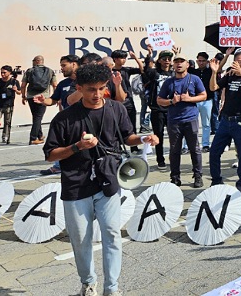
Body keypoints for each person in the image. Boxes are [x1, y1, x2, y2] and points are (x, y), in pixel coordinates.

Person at [43, 62, 159, 296]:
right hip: (75, 183)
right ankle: (88, 284)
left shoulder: (117, 109)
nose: (97, 94)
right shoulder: (65, 118)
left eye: (101, 88)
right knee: (80, 239)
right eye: (90, 89)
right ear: (79, 88)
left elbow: (127, 137)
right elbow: (50, 155)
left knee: (112, 234)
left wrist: (145, 138)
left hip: (108, 179)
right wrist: (77, 147)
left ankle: (112, 289)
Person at [210, 48, 241, 194]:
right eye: (239, 61)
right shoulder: (229, 76)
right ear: (234, 62)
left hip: (240, 121)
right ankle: (216, 180)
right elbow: (213, 87)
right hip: (225, 120)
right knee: (214, 152)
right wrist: (214, 72)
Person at [157, 52, 207, 188]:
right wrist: (171, 101)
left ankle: (198, 176)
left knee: (195, 149)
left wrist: (189, 99)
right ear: (173, 64)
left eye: (181, 61)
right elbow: (159, 100)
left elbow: (203, 95)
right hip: (174, 120)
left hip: (191, 119)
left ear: (188, 64)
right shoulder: (169, 82)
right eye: (176, 61)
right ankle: (175, 177)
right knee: (174, 150)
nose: (178, 64)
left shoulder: (194, 79)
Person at [143, 48, 174, 171]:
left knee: (174, 136)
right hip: (157, 109)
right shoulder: (155, 73)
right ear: (159, 60)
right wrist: (149, 55)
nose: (167, 61)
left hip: (172, 109)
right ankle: (160, 160)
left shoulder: (173, 74)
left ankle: (174, 158)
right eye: (164, 59)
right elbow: (146, 70)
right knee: (158, 136)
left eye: (169, 59)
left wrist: (177, 54)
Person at [110, 50, 143, 152]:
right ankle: (118, 146)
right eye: (121, 58)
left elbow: (142, 70)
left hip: (129, 101)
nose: (124, 60)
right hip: (116, 102)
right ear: (115, 59)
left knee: (132, 124)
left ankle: (134, 147)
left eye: (125, 58)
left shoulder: (126, 70)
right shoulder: (110, 71)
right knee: (116, 124)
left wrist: (136, 58)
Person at [21, 55, 57, 144]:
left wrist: (23, 96)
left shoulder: (29, 71)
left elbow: (23, 85)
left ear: (37, 61)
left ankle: (39, 136)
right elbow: (55, 85)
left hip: (31, 96)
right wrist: (56, 97)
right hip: (43, 97)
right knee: (38, 117)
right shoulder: (50, 71)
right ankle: (33, 138)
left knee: (36, 117)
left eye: (33, 60)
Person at [189, 52, 217, 152]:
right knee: (192, 124)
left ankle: (205, 144)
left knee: (206, 124)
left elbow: (219, 66)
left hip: (207, 101)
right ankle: (189, 145)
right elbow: (181, 66)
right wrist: (177, 53)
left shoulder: (210, 71)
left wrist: (226, 56)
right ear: (196, 61)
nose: (201, 63)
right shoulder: (193, 72)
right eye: (199, 61)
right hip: (195, 100)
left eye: (203, 61)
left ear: (207, 61)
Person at [0, 66, 20, 144]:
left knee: (7, 122)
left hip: (9, 105)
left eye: (4, 72)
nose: (2, 74)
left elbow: (19, 92)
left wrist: (16, 90)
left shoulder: (14, 82)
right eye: (1, 72)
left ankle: (5, 136)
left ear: (9, 73)